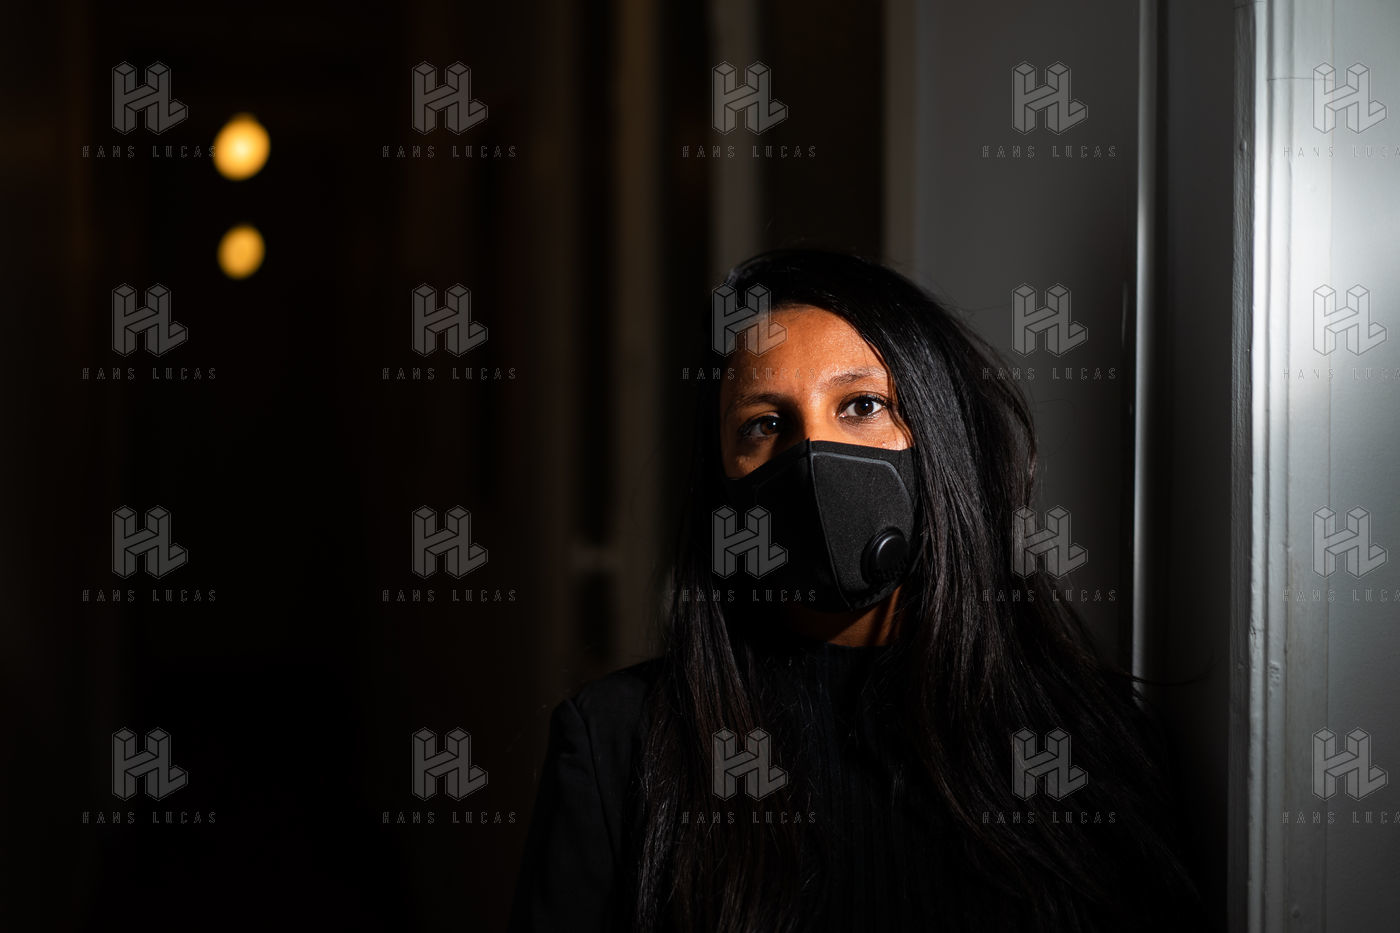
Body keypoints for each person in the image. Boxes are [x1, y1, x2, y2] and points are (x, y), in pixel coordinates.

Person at [509, 248, 1202, 932]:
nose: (812, 457)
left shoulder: (1084, 740)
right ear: (724, 481)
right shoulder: (620, 746)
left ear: (937, 436)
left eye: (862, 405)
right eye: (764, 424)